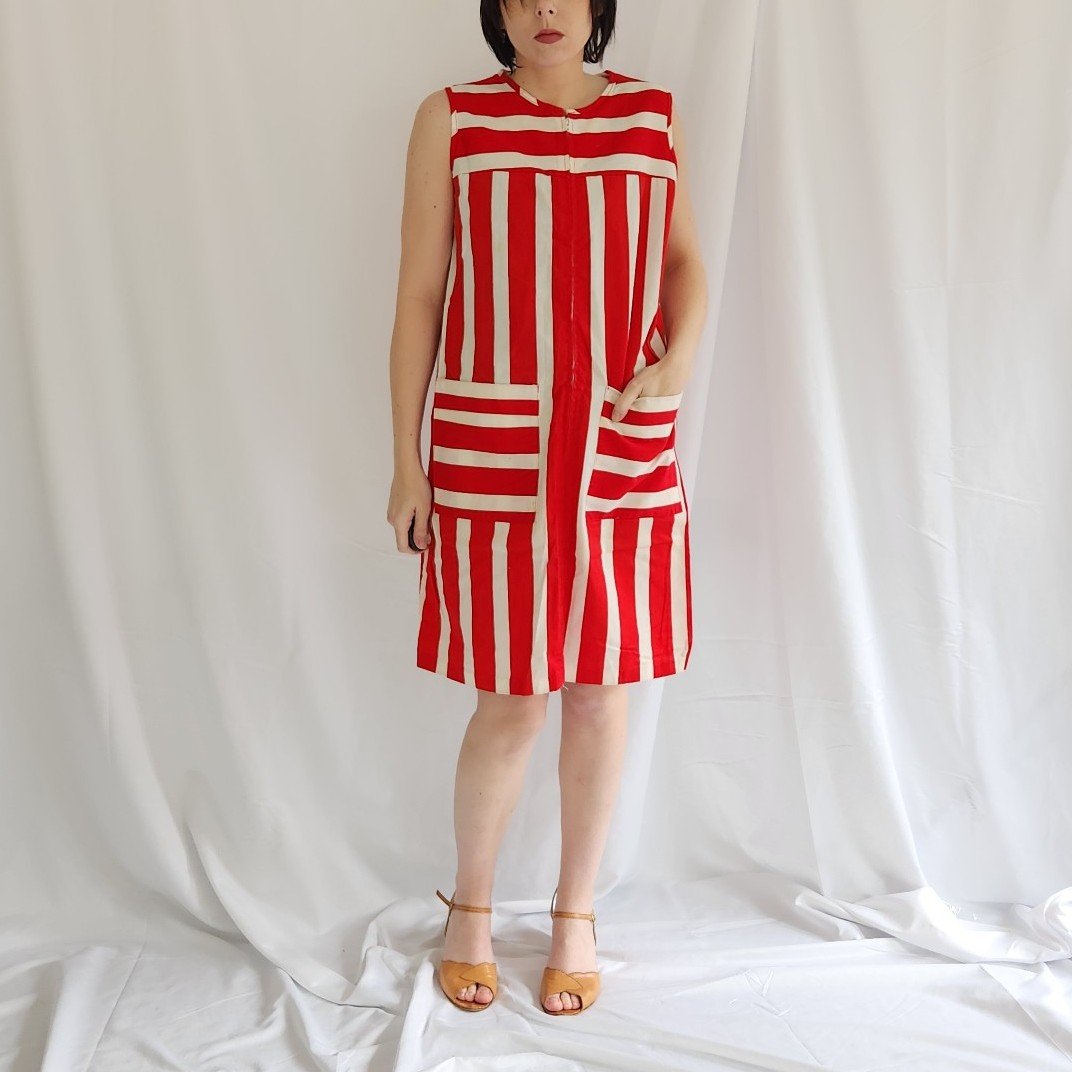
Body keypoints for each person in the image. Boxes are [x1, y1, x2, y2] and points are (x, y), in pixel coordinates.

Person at [386, 0, 707, 1016]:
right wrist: (406, 463)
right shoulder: (453, 118)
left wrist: (679, 358)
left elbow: (682, 261)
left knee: (600, 691)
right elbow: (420, 294)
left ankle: (576, 914)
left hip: (618, 437)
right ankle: (471, 909)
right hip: (495, 448)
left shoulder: (651, 115)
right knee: (512, 697)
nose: (543, 9)